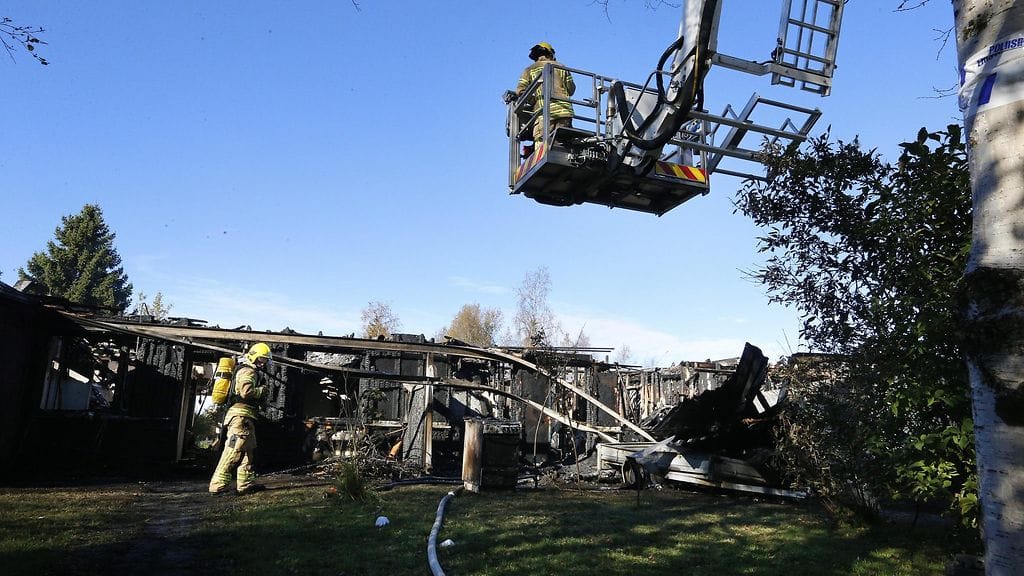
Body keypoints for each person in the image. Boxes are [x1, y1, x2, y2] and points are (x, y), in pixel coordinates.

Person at [209, 342, 271, 495]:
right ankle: (218, 486)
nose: (263, 364)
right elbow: (246, 392)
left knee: (248, 453)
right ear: (253, 357)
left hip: (246, 417)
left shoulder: (250, 370)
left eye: (265, 361)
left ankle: (245, 485)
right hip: (240, 417)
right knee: (233, 451)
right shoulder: (247, 371)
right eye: (262, 360)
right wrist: (262, 391)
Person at [509, 41, 575, 145]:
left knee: (542, 145)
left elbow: (520, 91)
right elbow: (571, 89)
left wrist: (532, 101)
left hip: (544, 113)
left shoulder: (529, 69)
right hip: (564, 112)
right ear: (550, 53)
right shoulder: (561, 66)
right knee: (562, 145)